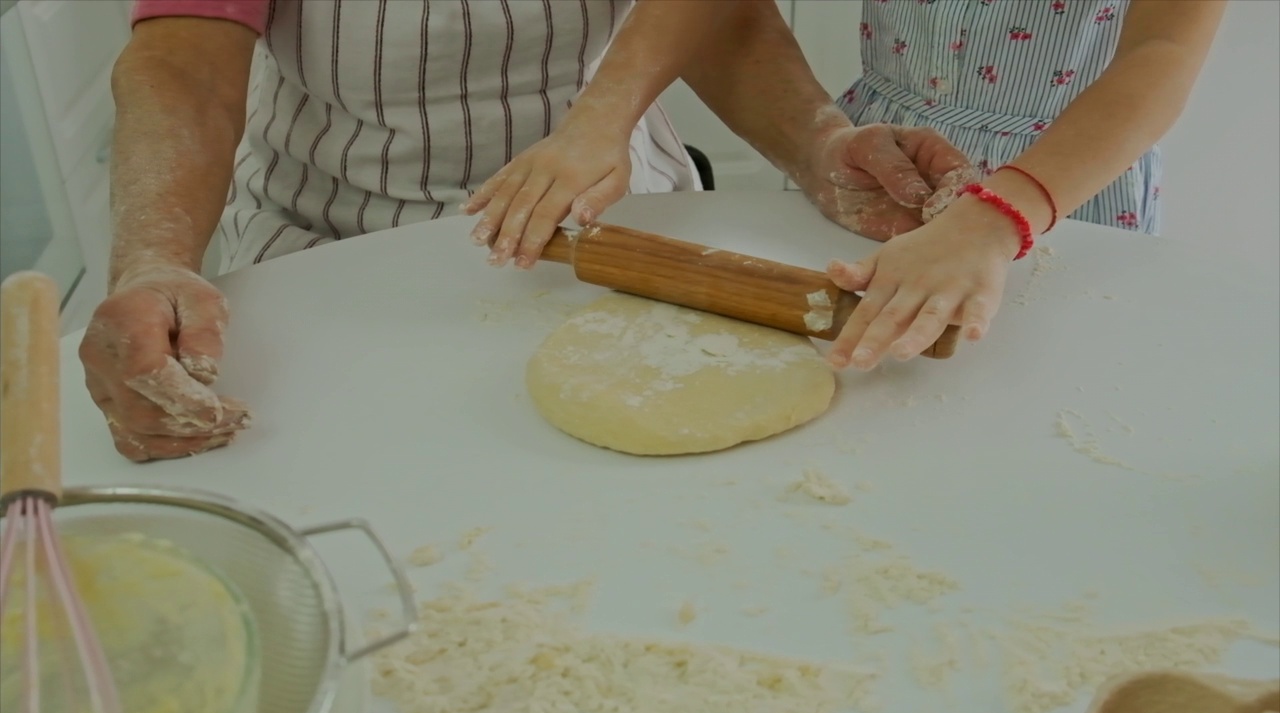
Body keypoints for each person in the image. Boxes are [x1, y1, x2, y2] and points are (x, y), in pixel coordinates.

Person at [83, 0, 968, 462]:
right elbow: (185, 64)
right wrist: (155, 257)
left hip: (622, 239)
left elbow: (719, 19)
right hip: (332, 244)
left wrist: (819, 148)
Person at [475, 0, 1226, 373]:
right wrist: (603, 113)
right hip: (876, 168)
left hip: (1060, 185)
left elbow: (1163, 51)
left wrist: (999, 215)